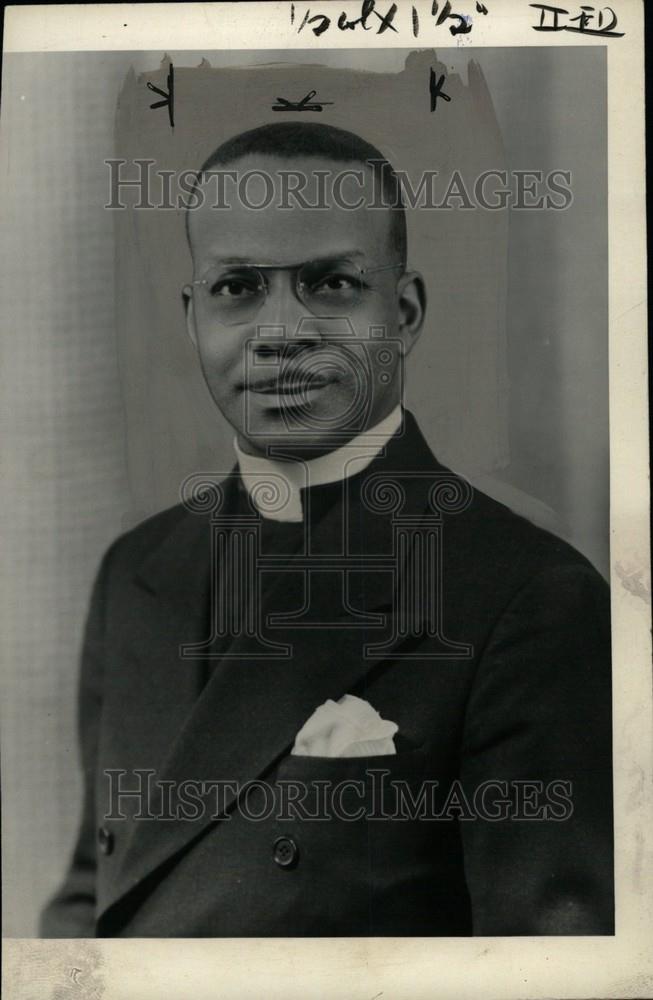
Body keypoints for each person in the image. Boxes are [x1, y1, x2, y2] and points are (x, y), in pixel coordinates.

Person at [41, 122, 613, 937]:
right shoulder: (136, 571)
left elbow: (546, 970)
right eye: (237, 288)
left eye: (332, 285)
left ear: (404, 313)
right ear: (191, 316)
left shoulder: (527, 599)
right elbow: (89, 899)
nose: (280, 332)